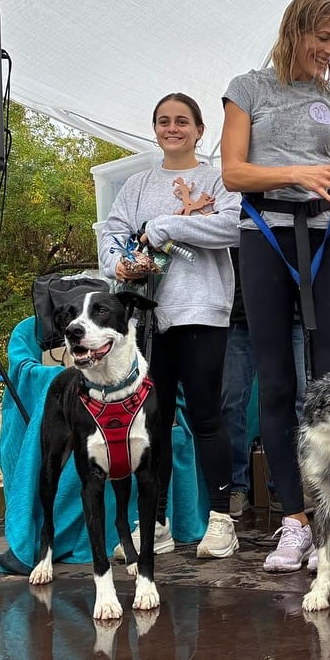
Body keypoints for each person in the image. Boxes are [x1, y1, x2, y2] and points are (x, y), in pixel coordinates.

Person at [220, 0, 330, 572]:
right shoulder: (249, 88)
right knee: (277, 381)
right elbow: (233, 170)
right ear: (297, 29)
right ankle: (295, 520)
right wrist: (293, 172)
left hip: (325, 236)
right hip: (264, 232)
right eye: (324, 38)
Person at [99, 92, 241, 559]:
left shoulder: (219, 178)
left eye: (183, 121)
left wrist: (168, 226)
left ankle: (220, 520)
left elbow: (234, 228)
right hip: (148, 320)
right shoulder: (137, 184)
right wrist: (119, 267)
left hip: (202, 311)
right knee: (155, 422)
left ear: (200, 130)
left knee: (205, 415)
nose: (173, 128)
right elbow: (113, 235)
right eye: (164, 121)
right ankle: (154, 523)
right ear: (155, 129)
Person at [220, 249, 306, 518]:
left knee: (297, 400)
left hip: (291, 317)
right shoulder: (232, 206)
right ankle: (236, 485)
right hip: (238, 316)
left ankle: (287, 487)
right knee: (231, 402)